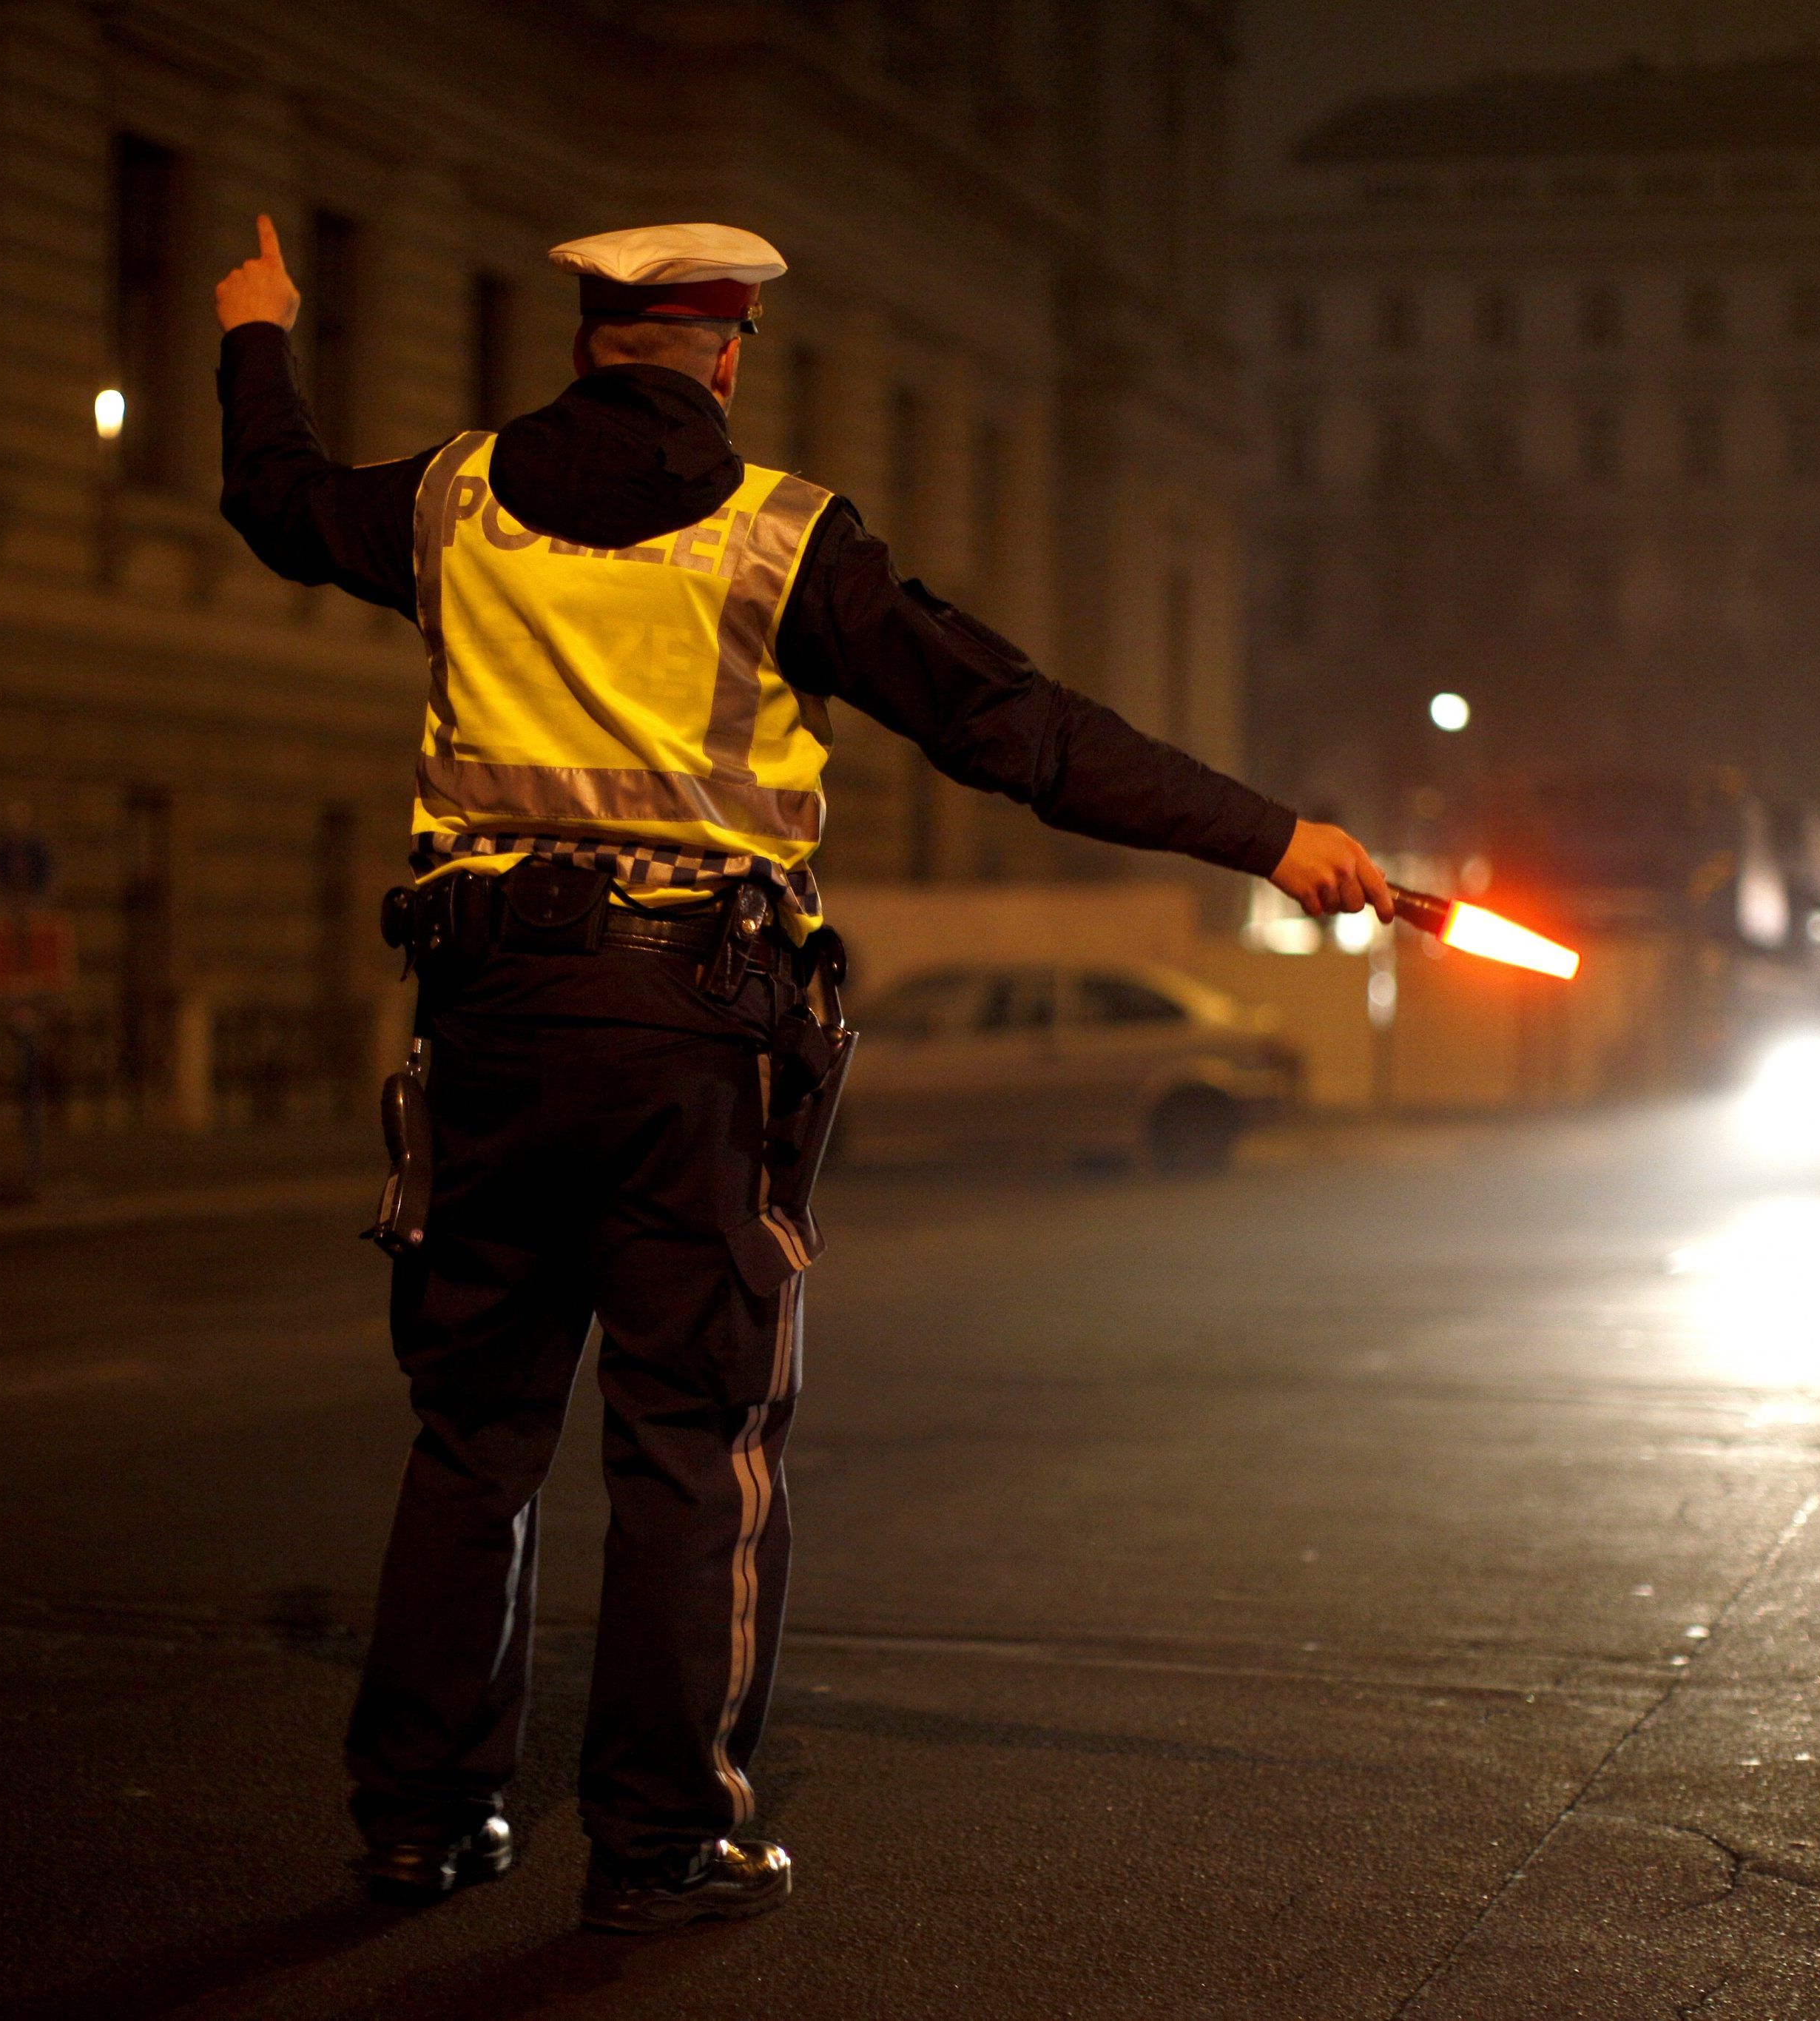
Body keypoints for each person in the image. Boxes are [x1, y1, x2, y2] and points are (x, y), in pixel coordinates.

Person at [214, 216, 1388, 1932]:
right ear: (727, 351)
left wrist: (259, 331)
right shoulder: (786, 538)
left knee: (473, 1428)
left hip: (488, 1023)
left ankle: (421, 1817)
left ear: (588, 340)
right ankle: (662, 1834)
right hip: (693, 1038)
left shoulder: (449, 505)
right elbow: (1027, 737)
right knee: (693, 1434)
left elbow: (275, 495)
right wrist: (1273, 837)